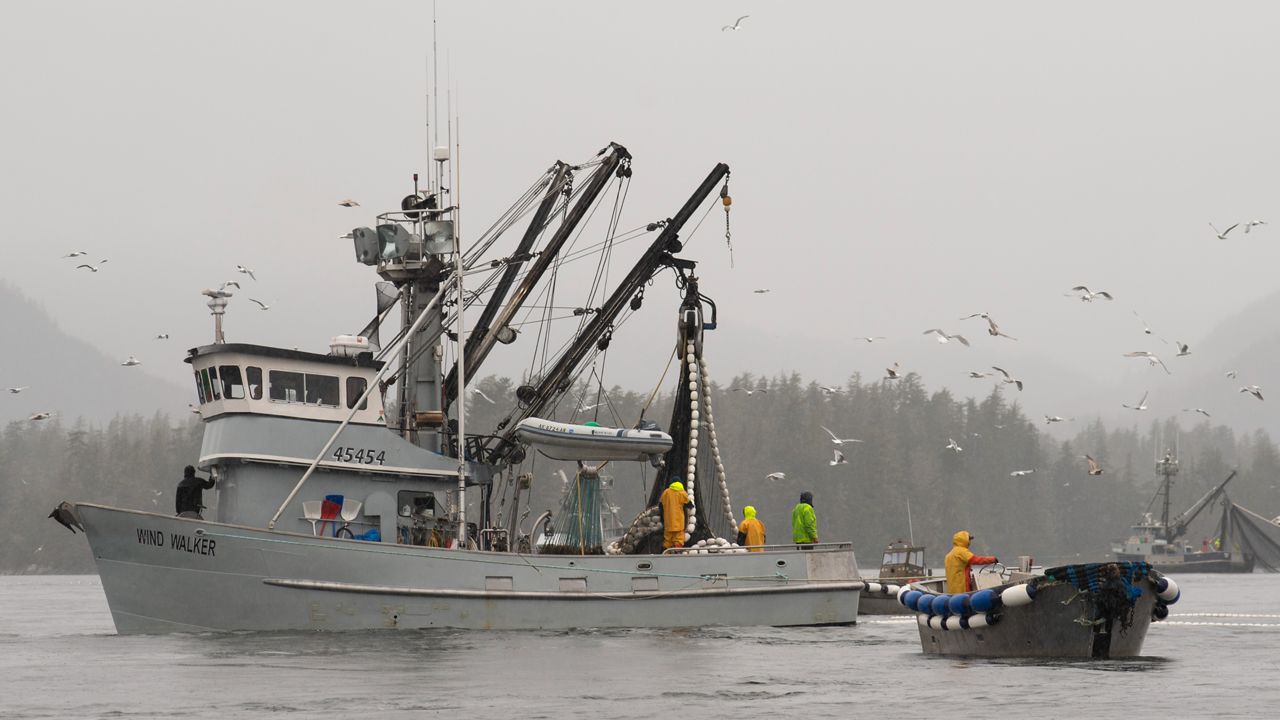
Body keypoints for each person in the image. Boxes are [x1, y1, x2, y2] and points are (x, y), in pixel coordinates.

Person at [659, 479, 690, 550]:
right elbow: (689, 504)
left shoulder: (666, 492)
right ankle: (677, 552)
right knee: (679, 539)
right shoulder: (682, 493)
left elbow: (660, 505)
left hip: (668, 523)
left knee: (667, 540)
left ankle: (664, 553)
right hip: (678, 523)